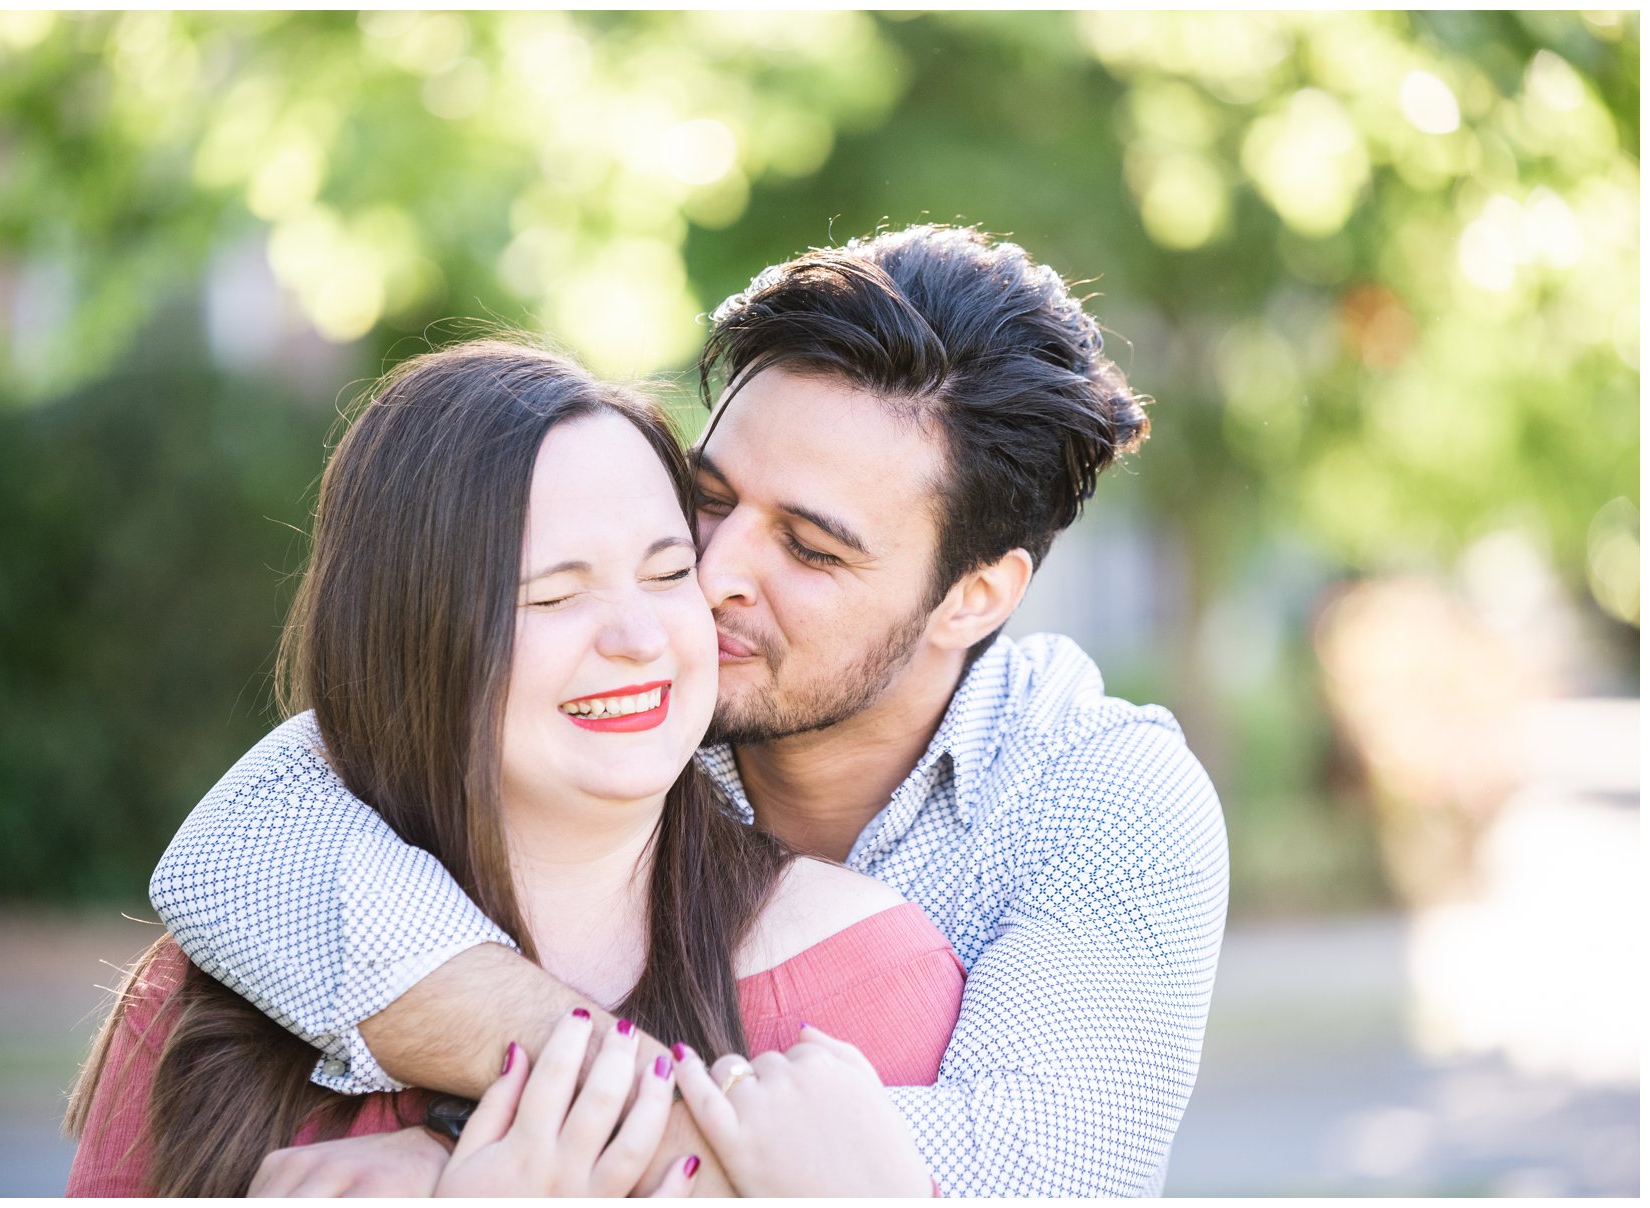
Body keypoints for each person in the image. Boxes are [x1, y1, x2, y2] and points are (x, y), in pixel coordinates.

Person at [150, 225, 1231, 1196]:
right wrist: (556, 1082)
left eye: (809, 549)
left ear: (973, 596)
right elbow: (245, 853)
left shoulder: (1098, 795)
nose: (709, 576)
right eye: (707, 498)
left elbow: (1031, 1176)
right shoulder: (627, 697)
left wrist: (463, 1143)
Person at [64, 341, 962, 1196]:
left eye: (667, 573)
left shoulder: (864, 978)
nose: (639, 638)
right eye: (555, 595)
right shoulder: (221, 991)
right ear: (412, 638)